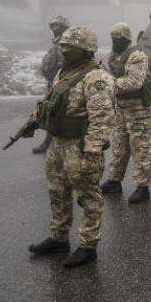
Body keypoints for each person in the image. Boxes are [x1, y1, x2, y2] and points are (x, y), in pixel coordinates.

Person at [27, 26, 115, 268]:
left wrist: (92, 152)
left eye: (69, 47)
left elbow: (101, 119)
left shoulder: (97, 78)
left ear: (85, 50)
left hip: (80, 145)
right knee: (57, 191)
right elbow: (51, 102)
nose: (63, 51)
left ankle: (88, 245)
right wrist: (35, 120)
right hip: (58, 144)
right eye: (62, 46)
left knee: (88, 196)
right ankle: (59, 238)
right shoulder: (63, 73)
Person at [100, 22, 151, 204]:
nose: (115, 41)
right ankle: (114, 181)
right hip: (121, 108)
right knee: (119, 146)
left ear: (126, 39)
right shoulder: (114, 55)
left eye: (118, 38)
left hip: (138, 110)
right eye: (113, 38)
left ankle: (142, 188)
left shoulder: (137, 55)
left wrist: (110, 83)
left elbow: (134, 82)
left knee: (140, 148)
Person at [32, 15, 71, 153]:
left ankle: (61, 144)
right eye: (53, 27)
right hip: (53, 83)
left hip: (65, 84)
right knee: (51, 112)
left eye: (57, 26)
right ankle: (49, 142)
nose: (54, 29)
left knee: (64, 114)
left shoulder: (68, 44)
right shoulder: (56, 44)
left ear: (64, 28)